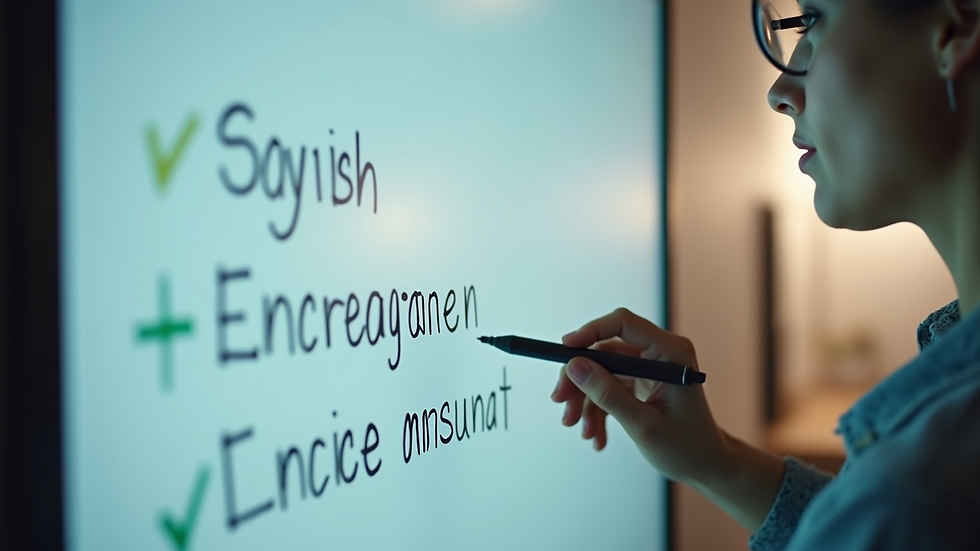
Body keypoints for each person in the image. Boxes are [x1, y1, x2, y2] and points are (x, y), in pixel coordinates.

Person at [551, 0, 980, 549]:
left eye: (813, 20)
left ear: (954, 28)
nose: (779, 92)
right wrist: (715, 460)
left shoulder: (923, 489)